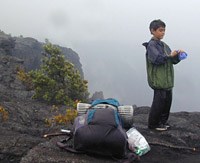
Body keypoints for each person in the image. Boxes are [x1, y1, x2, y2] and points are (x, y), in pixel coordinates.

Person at [142, 19, 185, 131]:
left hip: (167, 81)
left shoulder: (164, 45)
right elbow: (157, 59)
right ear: (152, 31)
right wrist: (170, 56)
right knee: (158, 104)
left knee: (167, 103)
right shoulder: (151, 45)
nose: (163, 33)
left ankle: (162, 123)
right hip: (159, 80)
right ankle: (153, 125)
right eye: (160, 30)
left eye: (164, 30)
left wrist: (178, 56)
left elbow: (172, 61)